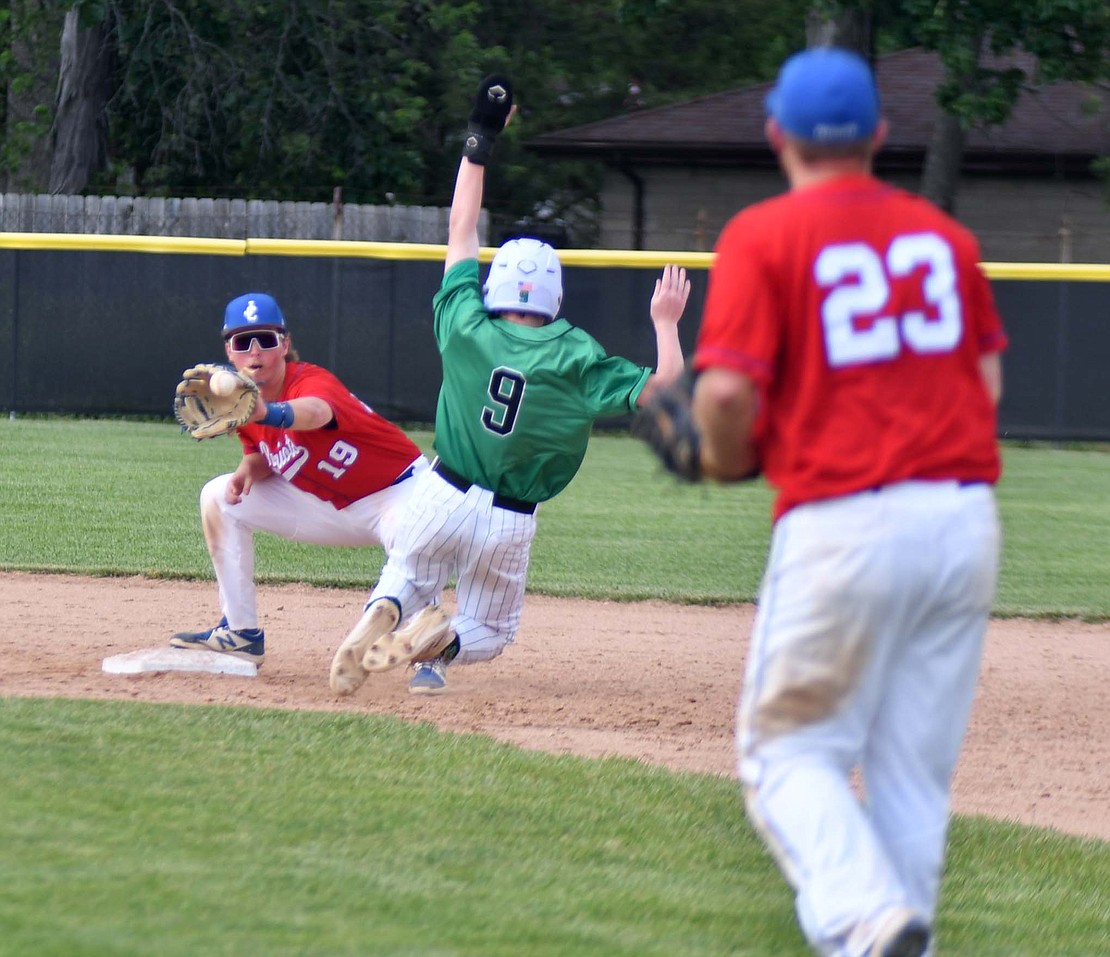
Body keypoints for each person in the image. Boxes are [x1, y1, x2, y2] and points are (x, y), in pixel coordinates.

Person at [688, 48, 1006, 957]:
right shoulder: (945, 239)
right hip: (962, 518)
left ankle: (869, 920)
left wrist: (725, 457)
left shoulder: (764, 233)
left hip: (846, 518)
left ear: (777, 134)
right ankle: (891, 934)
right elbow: (983, 384)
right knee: (911, 778)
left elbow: (720, 400)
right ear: (878, 134)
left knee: (787, 754)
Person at [328, 75, 690, 698]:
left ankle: (388, 610)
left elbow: (463, 228)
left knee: (409, 573)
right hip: (511, 518)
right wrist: (665, 323)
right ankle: (437, 640)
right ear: (553, 295)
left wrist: (481, 137)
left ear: (496, 288)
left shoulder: (465, 324)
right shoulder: (576, 352)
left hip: (441, 493)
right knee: (491, 629)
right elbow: (666, 392)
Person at [171, 291, 429, 665]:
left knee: (411, 550)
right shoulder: (244, 406)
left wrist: (267, 412)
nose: (255, 351)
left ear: (285, 344)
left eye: (267, 339)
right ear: (229, 351)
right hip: (329, 506)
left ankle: (430, 650)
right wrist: (248, 468)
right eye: (243, 342)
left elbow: (316, 414)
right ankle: (241, 634)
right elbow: (265, 454)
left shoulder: (309, 380)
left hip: (397, 492)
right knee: (218, 497)